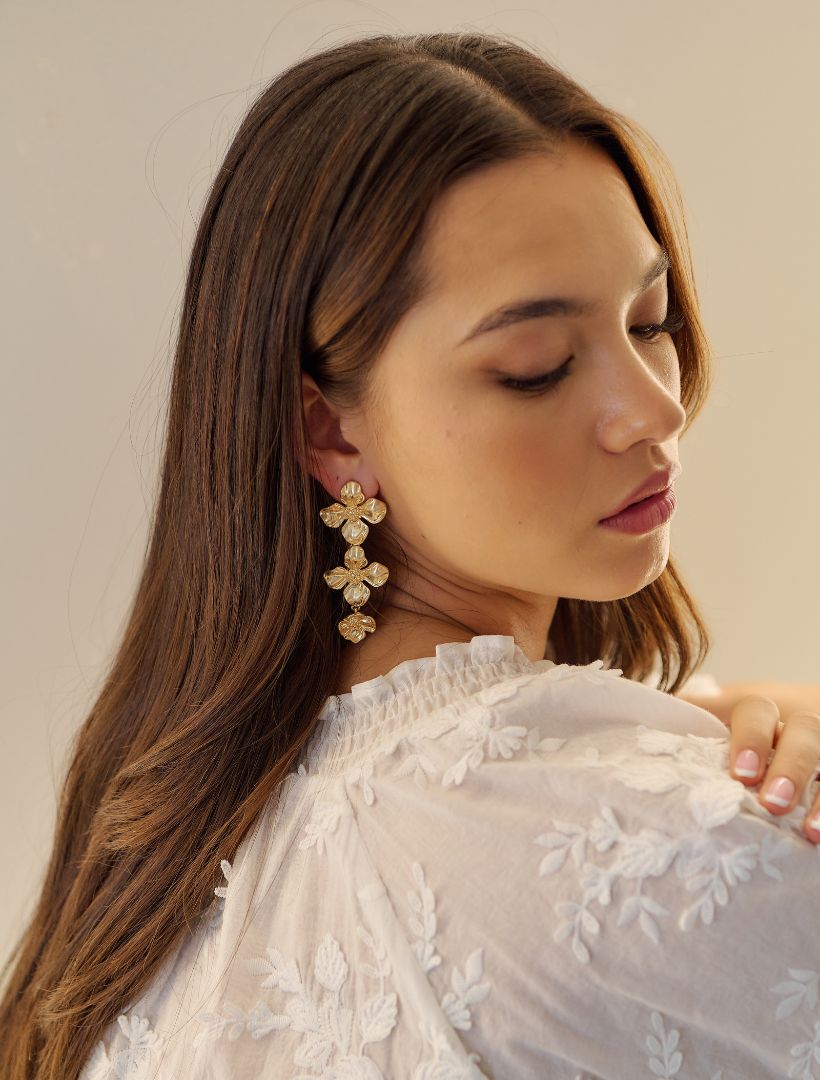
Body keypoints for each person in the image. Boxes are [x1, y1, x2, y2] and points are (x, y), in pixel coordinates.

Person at [1, 30, 818, 1080]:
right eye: (537, 366)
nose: (653, 408)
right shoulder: (673, 846)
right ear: (331, 433)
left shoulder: (153, 894)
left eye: (649, 319)